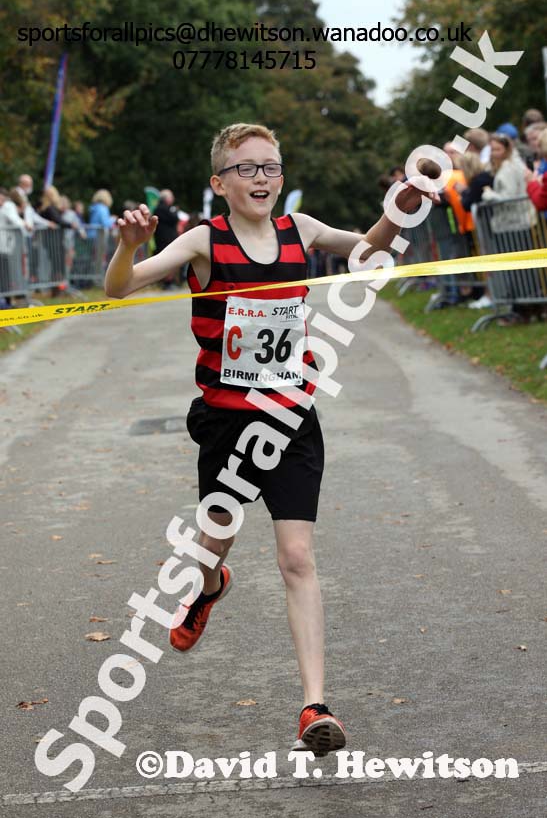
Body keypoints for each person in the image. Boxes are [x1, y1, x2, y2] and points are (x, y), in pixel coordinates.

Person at [104, 122, 435, 756]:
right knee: (213, 544)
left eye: (271, 167)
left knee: (297, 558)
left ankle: (314, 706)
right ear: (219, 183)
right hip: (227, 423)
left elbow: (368, 253)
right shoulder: (204, 239)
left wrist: (402, 206)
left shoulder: (301, 230)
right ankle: (210, 585)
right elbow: (120, 287)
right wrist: (130, 245)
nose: (261, 178)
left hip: (289, 418)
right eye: (247, 168)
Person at [153, 189, 180, 289]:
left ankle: (169, 281)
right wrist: (175, 211)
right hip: (165, 240)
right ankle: (167, 282)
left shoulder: (161, 208)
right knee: (167, 262)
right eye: (171, 197)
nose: (173, 199)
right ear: (166, 198)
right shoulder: (162, 209)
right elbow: (174, 219)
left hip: (165, 239)